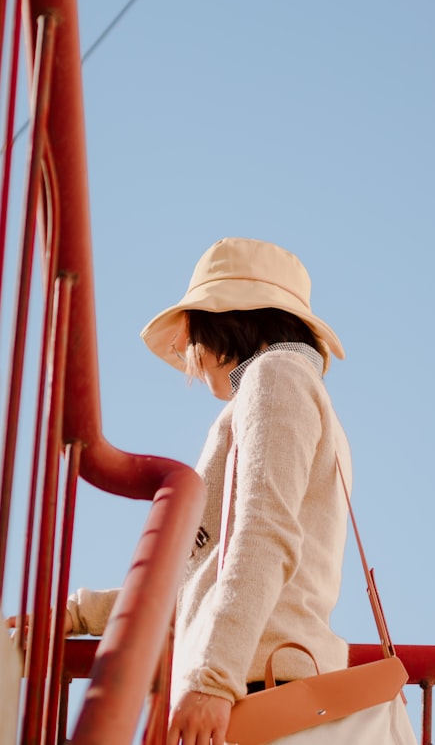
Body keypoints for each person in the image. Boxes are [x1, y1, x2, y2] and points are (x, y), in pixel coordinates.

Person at [65, 237, 352, 744]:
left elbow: (263, 534)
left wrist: (210, 681)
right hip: (263, 691)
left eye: (190, 332)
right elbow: (206, 582)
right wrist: (82, 613)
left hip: (258, 696)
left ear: (225, 319)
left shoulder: (275, 376)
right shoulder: (287, 382)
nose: (186, 353)